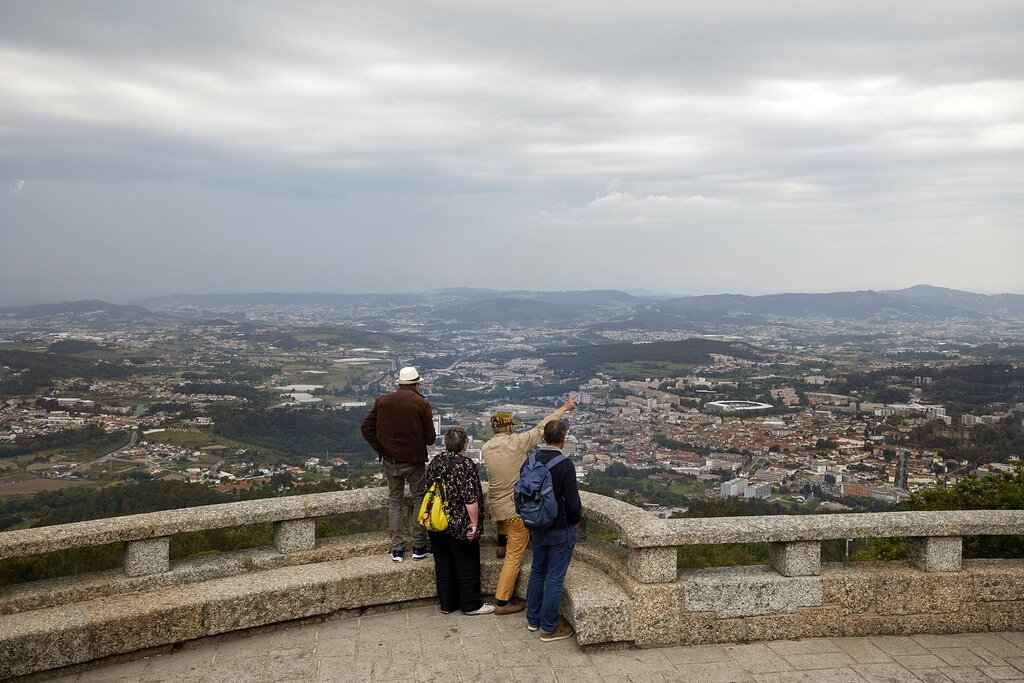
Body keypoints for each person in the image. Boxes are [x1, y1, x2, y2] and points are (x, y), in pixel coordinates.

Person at [482, 396, 578, 616]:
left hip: (496, 508)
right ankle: (502, 600)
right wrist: (564, 408)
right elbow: (542, 427)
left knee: (505, 519)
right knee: (515, 555)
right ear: (509, 428)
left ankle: (500, 543)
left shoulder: (486, 448)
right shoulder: (517, 442)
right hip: (516, 509)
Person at [361, 366, 437, 563]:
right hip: (414, 461)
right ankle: (419, 546)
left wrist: (381, 449)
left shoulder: (383, 401)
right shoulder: (421, 403)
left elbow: (366, 428)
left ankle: (397, 549)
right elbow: (430, 439)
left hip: (390, 461)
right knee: (419, 498)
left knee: (394, 501)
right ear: (417, 383)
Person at [426, 427, 494, 615]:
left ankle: (447, 604)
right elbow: (470, 498)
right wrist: (473, 525)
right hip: (459, 524)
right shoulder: (465, 465)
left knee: (443, 563)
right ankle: (471, 604)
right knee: (467, 565)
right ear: (465, 445)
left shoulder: (435, 462)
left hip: (437, 522)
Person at [525, 419, 580, 642]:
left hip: (536, 525)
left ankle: (532, 619)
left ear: (544, 437)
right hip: (560, 527)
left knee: (538, 571)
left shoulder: (529, 460)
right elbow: (573, 503)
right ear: (563, 439)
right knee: (555, 578)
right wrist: (575, 521)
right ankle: (548, 628)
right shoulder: (565, 465)